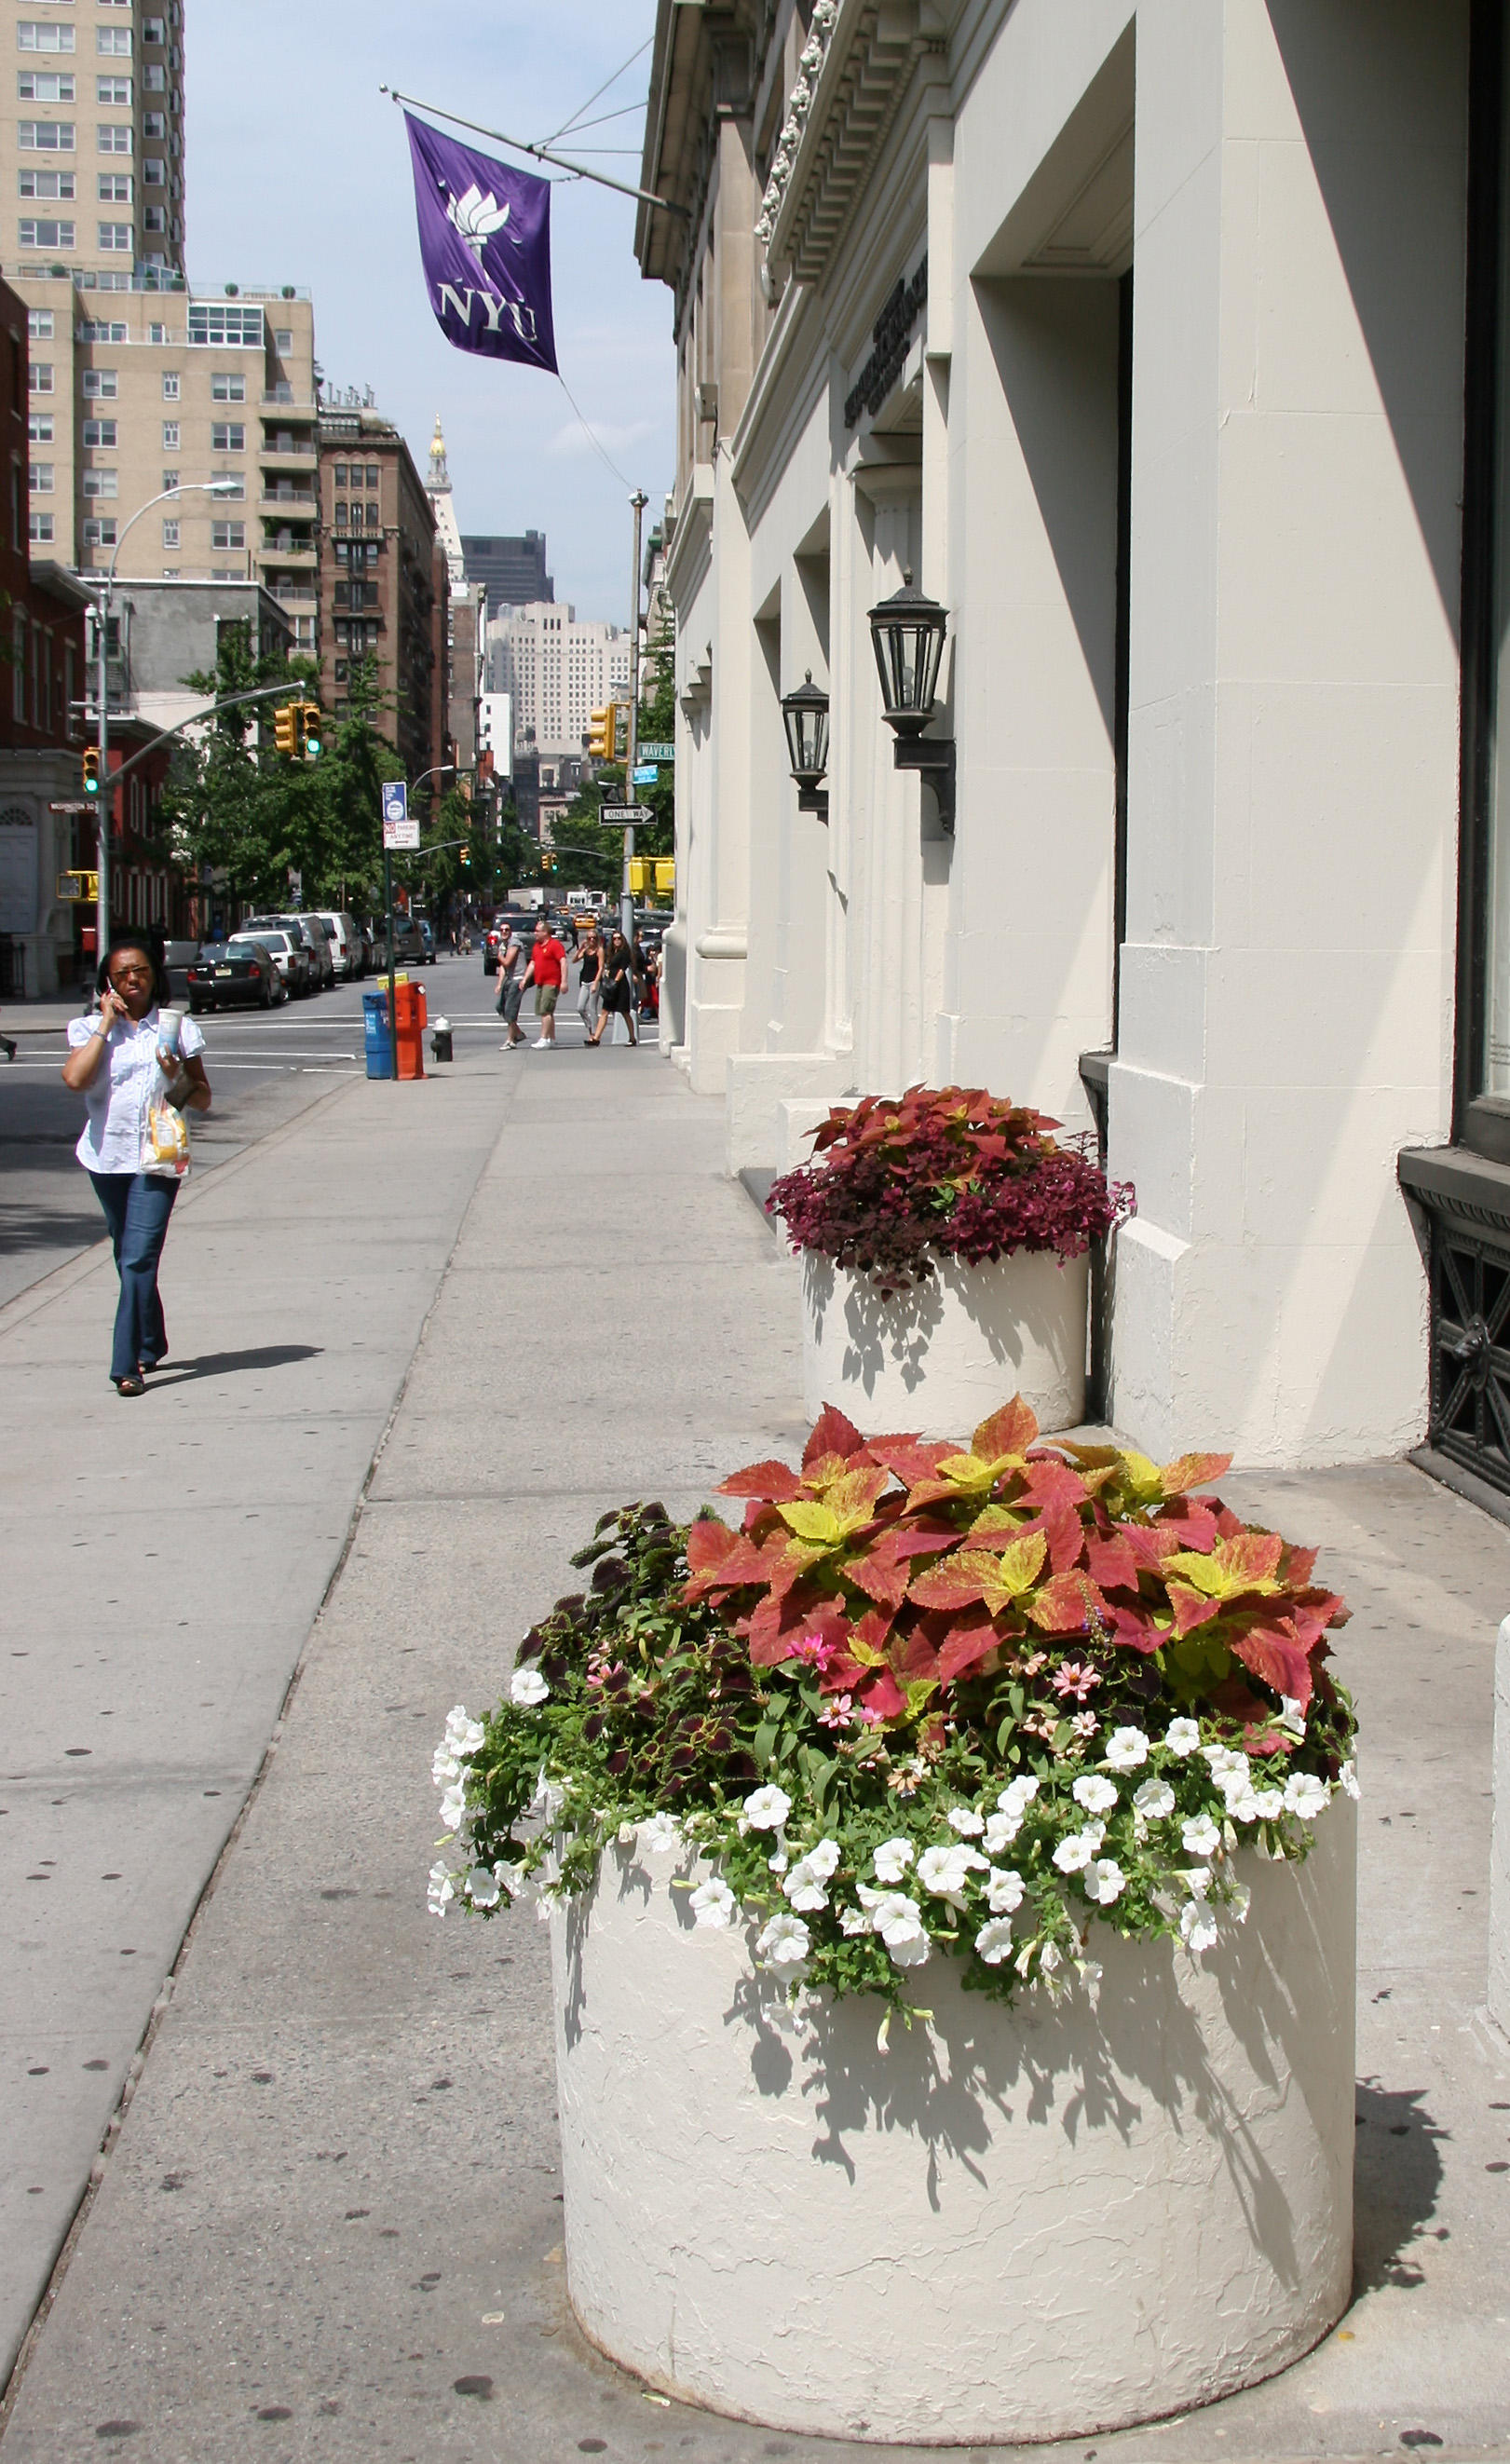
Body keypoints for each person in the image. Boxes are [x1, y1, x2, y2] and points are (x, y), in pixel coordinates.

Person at [61, 935, 211, 1397]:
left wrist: (178, 1073)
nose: (132, 980)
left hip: (158, 1159)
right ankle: (152, 1339)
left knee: (139, 1257)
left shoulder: (176, 1030)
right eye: (123, 973)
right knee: (126, 1253)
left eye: (140, 971)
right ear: (109, 981)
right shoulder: (88, 1029)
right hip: (106, 1157)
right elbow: (75, 1079)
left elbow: (202, 1098)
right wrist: (105, 1026)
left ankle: (126, 1365)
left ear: (154, 977)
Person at [528, 917, 567, 1049]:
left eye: (538, 931)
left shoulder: (555, 945)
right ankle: (551, 1038)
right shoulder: (536, 947)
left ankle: (544, 1038)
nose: (535, 933)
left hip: (551, 982)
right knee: (546, 1012)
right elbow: (533, 963)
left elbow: (563, 962)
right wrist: (525, 979)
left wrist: (564, 982)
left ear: (545, 932)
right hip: (540, 982)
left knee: (546, 1010)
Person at [595, 930, 638, 1047]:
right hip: (611, 984)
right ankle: (596, 1037)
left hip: (620, 986)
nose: (617, 941)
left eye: (619, 938)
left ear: (622, 940)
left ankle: (632, 1038)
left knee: (625, 1012)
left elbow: (622, 969)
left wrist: (615, 982)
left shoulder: (624, 953)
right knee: (604, 1011)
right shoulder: (612, 952)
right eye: (614, 939)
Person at [495, 922, 526, 1048]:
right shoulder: (503, 945)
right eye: (502, 930)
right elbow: (503, 967)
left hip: (518, 979)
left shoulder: (514, 943)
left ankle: (510, 1040)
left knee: (510, 1010)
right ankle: (518, 1033)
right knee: (500, 1007)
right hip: (509, 979)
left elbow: (506, 962)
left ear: (511, 931)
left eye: (507, 929)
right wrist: (499, 984)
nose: (504, 932)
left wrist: (499, 956)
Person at [577, 924, 604, 1047]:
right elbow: (574, 960)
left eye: (594, 938)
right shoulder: (586, 950)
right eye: (589, 938)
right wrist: (581, 948)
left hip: (594, 981)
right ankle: (590, 1028)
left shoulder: (599, 950)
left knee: (592, 1008)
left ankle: (594, 1035)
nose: (591, 940)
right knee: (580, 1007)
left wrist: (596, 982)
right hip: (585, 981)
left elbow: (601, 967)